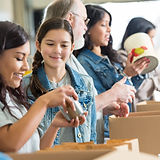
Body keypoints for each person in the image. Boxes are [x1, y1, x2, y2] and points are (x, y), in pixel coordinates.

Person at [0, 21, 84, 153]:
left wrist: (54, 126)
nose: (26, 67)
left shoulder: (13, 97)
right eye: (18, 58)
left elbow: (36, 151)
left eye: (26, 59)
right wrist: (44, 102)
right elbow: (10, 143)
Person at [42, 0, 136, 116]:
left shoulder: (71, 60)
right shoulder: (56, 62)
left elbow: (82, 105)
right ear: (70, 18)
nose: (85, 28)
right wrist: (113, 95)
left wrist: (105, 107)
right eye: (84, 20)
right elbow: (68, 113)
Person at [75, 5, 150, 137]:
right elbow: (98, 99)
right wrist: (126, 75)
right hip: (106, 131)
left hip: (122, 125)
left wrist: (135, 73)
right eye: (104, 25)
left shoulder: (110, 57)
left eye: (109, 25)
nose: (109, 29)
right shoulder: (84, 62)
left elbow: (128, 95)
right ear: (88, 28)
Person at [23, 17, 97, 145]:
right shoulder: (24, 86)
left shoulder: (86, 83)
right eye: (50, 44)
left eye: (64, 45)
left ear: (72, 47)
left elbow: (92, 136)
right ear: (38, 45)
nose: (57, 50)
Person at [119, 17, 160, 104]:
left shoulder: (149, 58)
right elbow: (140, 90)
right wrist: (157, 81)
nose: (152, 43)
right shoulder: (122, 57)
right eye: (150, 38)